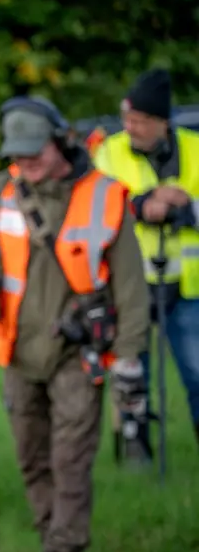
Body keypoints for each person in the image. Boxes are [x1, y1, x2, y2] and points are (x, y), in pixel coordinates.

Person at [0, 96, 150, 552]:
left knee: (71, 456)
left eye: (33, 153)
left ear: (61, 141)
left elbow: (130, 284)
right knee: (31, 457)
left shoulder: (106, 195)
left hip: (77, 353)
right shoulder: (1, 191)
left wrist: (128, 355)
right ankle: (52, 538)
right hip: (18, 351)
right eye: (16, 156)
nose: (25, 164)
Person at [90, 68, 199, 448]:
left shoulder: (195, 150)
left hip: (186, 287)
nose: (131, 128)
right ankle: (134, 449)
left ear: (162, 123)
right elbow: (98, 206)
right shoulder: (109, 151)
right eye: (128, 119)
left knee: (197, 373)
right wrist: (142, 205)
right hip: (130, 284)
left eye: (140, 121)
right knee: (131, 374)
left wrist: (184, 208)